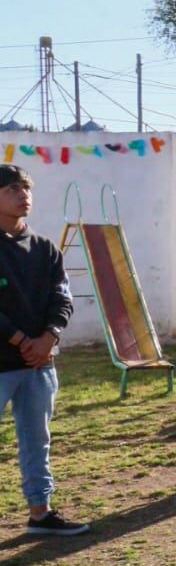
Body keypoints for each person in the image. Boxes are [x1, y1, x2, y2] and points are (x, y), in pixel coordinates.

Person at [0, 164, 88, 536]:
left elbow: (61, 297)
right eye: (13, 189)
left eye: (26, 188)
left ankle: (40, 513)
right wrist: (22, 340)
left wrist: (49, 337)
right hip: (6, 362)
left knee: (37, 442)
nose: (24, 195)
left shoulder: (45, 248)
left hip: (39, 365)